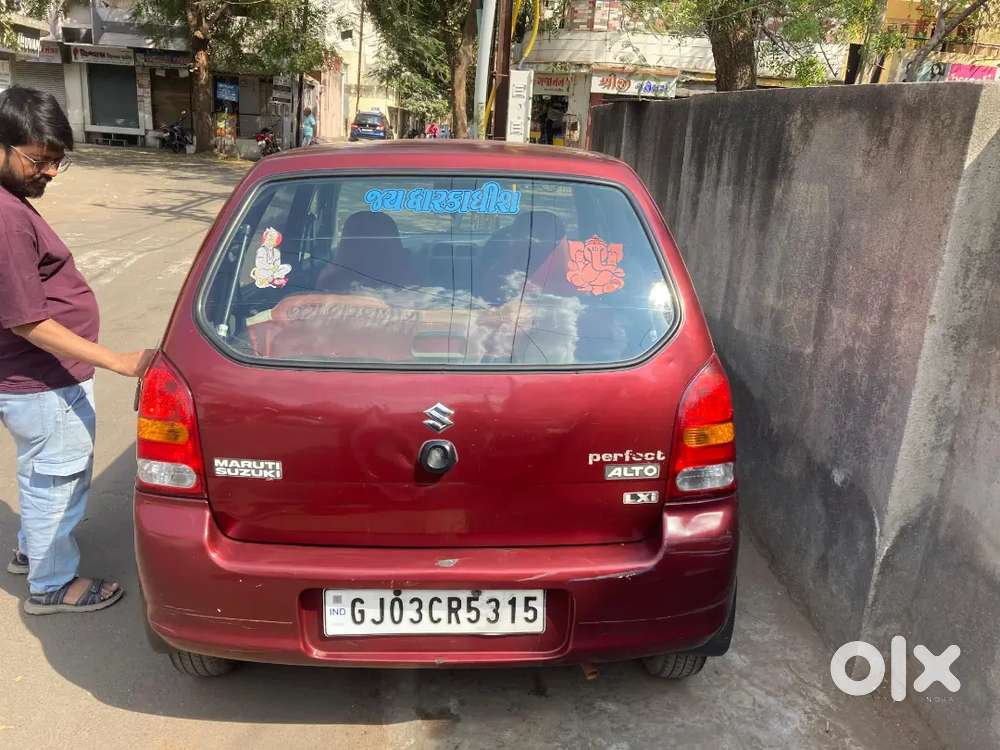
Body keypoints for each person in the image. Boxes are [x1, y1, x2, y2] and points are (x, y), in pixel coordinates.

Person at [0, 86, 153, 615]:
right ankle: (51, 584)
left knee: (41, 471)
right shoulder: (6, 217)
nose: (49, 172)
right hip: (42, 381)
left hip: (34, 382)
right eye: (38, 160)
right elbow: (27, 321)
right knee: (57, 480)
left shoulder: (11, 205)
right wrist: (119, 362)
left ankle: (32, 551)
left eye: (57, 161)